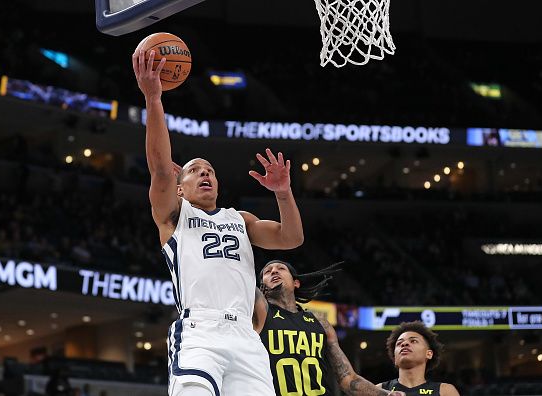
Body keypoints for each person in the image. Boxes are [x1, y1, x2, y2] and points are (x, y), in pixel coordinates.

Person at [133, 49, 304, 396]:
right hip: (200, 331)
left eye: (210, 170)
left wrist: (284, 193)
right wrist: (153, 98)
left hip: (245, 336)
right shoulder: (175, 215)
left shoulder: (240, 219)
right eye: (195, 170)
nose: (205, 173)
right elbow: (160, 165)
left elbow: (291, 239)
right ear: (181, 187)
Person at [254, 260, 404, 396]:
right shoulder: (260, 313)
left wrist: (385, 394)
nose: (274, 271)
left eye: (281, 268)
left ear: (296, 283)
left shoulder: (319, 321)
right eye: (267, 272)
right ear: (262, 286)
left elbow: (347, 378)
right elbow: (241, 278)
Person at [377, 321, 460, 396]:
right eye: (399, 343)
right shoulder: (379, 390)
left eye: (413, 341)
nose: (404, 343)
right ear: (395, 358)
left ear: (429, 354)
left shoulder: (445, 391)